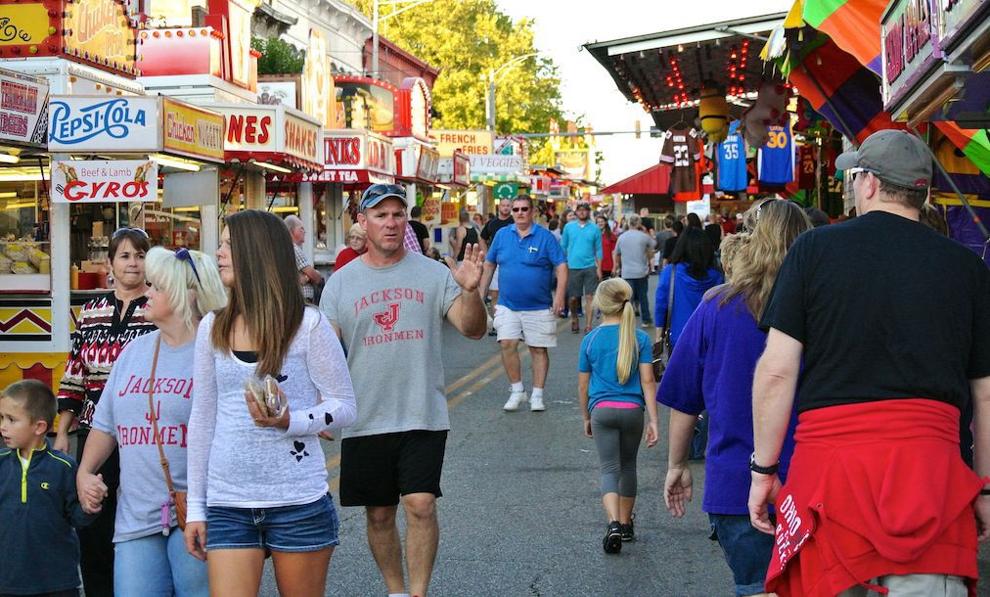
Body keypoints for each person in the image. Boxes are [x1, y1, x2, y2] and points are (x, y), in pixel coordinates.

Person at [749, 130, 990, 596]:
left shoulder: (814, 251)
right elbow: (985, 393)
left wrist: (764, 471)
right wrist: (983, 488)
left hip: (830, 477)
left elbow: (777, 371)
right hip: (931, 479)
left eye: (854, 175)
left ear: (870, 184)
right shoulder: (967, 269)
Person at [320, 184, 487, 597]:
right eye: (380, 215)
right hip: (365, 417)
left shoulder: (433, 273)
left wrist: (470, 292)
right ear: (362, 222)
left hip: (422, 411)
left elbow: (473, 329)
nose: (391, 223)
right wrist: (319, 405)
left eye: (397, 214)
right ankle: (396, 591)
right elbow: (323, 353)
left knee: (420, 504)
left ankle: (418, 593)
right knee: (378, 515)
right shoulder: (340, 284)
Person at [185, 210, 358, 596]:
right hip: (228, 502)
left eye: (229, 244)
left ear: (258, 252)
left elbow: (344, 406)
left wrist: (290, 420)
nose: (219, 253)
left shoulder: (308, 325)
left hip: (297, 501)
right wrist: (197, 506)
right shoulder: (212, 327)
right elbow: (202, 419)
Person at [660, 200, 811, 597]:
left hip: (735, 484)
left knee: (757, 587)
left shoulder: (717, 306)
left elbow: (684, 399)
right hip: (815, 484)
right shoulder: (823, 307)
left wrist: (677, 464)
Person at [77, 247, 227, 596]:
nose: (147, 292)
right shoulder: (134, 352)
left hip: (198, 513)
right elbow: (105, 424)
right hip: (136, 516)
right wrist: (85, 472)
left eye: (157, 286)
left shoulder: (217, 352)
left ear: (184, 293)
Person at [55, 227, 155, 597]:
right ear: (110, 263)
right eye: (125, 256)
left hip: (142, 435)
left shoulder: (158, 307)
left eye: (140, 255)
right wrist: (63, 429)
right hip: (95, 432)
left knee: (137, 522)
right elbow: (75, 372)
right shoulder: (92, 311)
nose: (133, 263)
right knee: (93, 519)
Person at [578, 279, 659, 554]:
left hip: (601, 410)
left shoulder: (590, 340)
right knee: (628, 466)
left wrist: (586, 416)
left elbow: (583, 385)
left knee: (609, 469)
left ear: (600, 305)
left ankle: (612, 522)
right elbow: (648, 381)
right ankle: (626, 524)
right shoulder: (640, 338)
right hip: (633, 412)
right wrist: (654, 420)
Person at [1, 380, 94, 596]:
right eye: (2, 418)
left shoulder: (63, 467)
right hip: (7, 582)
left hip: (57, 583)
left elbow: (77, 518)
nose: (3, 426)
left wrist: (91, 505)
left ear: (39, 427)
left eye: (11, 420)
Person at [481, 195, 568, 413]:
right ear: (512, 212)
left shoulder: (545, 237)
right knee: (507, 344)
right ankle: (517, 390)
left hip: (538, 306)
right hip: (507, 304)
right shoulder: (502, 235)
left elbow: (561, 266)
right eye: (516, 209)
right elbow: (490, 264)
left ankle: (537, 394)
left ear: (532, 212)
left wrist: (559, 296)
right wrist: (479, 294)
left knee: (538, 349)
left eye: (524, 209)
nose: (520, 213)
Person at [653, 228, 723, 347]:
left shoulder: (670, 272)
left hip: (678, 336)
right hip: (709, 338)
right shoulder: (717, 276)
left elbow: (661, 305)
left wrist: (658, 337)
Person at [561, 202, 603, 334]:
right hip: (573, 266)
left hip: (590, 266)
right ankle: (574, 317)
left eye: (585, 210)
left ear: (588, 212)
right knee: (573, 297)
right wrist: (562, 266)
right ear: (576, 212)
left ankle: (589, 325)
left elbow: (599, 249)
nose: (582, 212)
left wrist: (599, 268)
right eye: (579, 210)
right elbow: (563, 246)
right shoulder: (569, 227)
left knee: (590, 296)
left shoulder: (595, 228)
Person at [614, 215, 656, 328]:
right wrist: (645, 231)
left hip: (627, 272)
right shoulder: (643, 236)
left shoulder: (622, 237)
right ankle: (646, 320)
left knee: (627, 298)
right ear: (639, 224)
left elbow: (617, 253)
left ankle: (625, 320)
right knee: (643, 297)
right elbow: (654, 244)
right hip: (641, 272)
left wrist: (616, 267)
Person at [480, 198, 515, 308]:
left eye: (508, 205)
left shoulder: (515, 222)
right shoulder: (491, 223)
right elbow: (482, 238)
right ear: (499, 207)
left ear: (511, 207)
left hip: (511, 263)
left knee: (510, 293)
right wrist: (487, 254)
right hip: (494, 263)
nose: (505, 207)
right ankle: (497, 323)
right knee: (495, 293)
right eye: (503, 205)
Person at [285, 215, 323, 304]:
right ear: (291, 231)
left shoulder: (286, 248)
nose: (304, 232)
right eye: (301, 229)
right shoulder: (294, 249)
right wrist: (311, 276)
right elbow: (316, 277)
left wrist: (305, 277)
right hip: (303, 299)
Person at [597, 214, 616, 279]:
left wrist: (614, 267)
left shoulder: (611, 236)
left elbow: (614, 252)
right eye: (598, 222)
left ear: (605, 222)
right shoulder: (594, 235)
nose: (600, 223)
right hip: (596, 266)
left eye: (602, 221)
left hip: (608, 266)